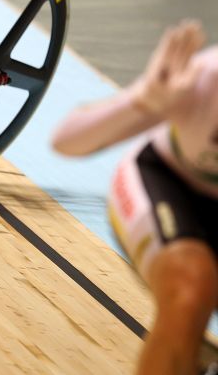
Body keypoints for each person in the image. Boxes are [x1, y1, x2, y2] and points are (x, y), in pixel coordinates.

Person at [52, 20, 218, 375]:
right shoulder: (207, 79)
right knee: (190, 286)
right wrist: (143, 100)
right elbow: (67, 140)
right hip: (167, 183)